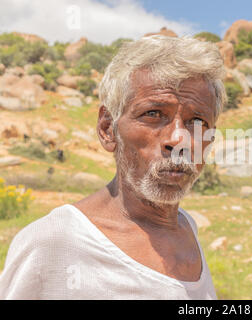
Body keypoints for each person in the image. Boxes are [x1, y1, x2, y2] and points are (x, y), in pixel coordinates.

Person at [0, 35, 227, 299]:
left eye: (197, 121)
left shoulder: (186, 227)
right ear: (108, 129)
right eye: (153, 114)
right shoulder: (53, 242)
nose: (178, 139)